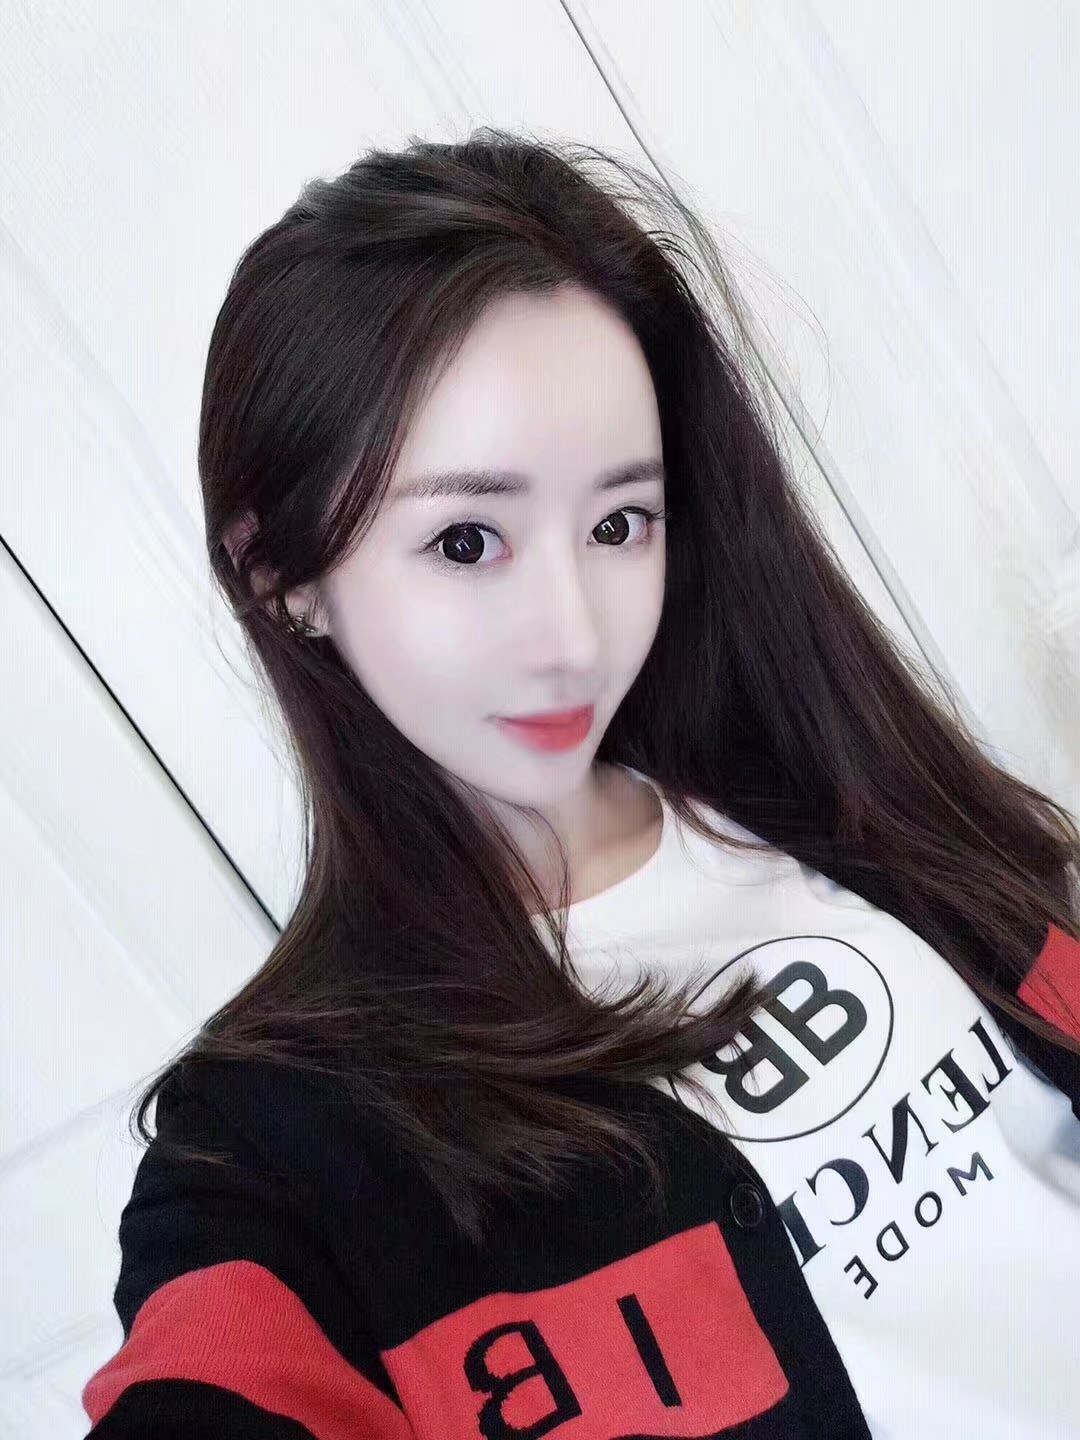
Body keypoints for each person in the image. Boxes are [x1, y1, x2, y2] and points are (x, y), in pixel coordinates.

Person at [81, 127, 1080, 1438]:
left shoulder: (851, 798)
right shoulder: (275, 1150)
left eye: (618, 523)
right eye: (467, 540)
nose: (571, 631)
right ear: (284, 579)